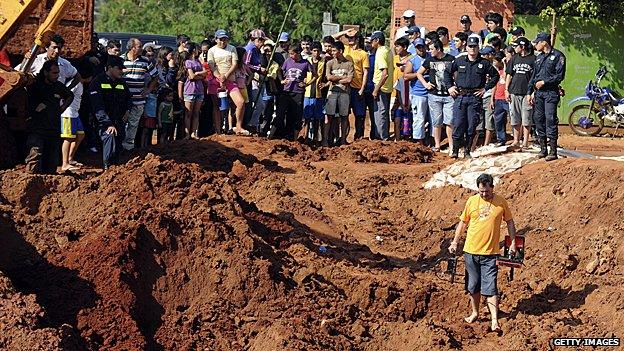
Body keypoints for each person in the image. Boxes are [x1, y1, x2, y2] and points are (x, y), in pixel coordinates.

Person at [449, 173, 516, 333]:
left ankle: (494, 321)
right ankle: (475, 312)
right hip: (470, 252)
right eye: (481, 192)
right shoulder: (471, 201)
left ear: (492, 187)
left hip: (490, 254)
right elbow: (462, 223)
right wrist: (455, 241)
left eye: (486, 191)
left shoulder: (501, 202)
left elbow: (510, 222)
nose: (484, 194)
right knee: (473, 286)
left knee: (491, 287)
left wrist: (513, 242)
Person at [445, 36, 499, 159]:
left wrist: (485, 88)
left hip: (475, 97)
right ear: (466, 47)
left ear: (478, 47)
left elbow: (495, 76)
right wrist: (450, 87)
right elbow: (447, 72)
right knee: (458, 124)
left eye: (475, 46)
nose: (472, 49)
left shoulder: (483, 63)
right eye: (470, 46)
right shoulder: (460, 61)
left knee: (471, 126)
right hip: (461, 96)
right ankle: (455, 150)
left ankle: (467, 151)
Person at [25, 60, 74, 174]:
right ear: (46, 72)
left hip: (53, 127)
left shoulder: (58, 86)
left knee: (52, 158)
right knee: (35, 154)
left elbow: (69, 95)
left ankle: (49, 178)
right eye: (54, 73)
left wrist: (62, 108)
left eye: (58, 73)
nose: (56, 76)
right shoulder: (36, 85)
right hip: (37, 127)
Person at [90, 55, 133, 170]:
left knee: (119, 140)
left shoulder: (121, 83)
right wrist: (108, 123)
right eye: (118, 68)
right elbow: (97, 106)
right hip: (103, 122)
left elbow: (129, 98)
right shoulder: (98, 82)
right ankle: (108, 168)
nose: (121, 71)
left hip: (118, 120)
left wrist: (128, 111)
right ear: (110, 68)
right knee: (110, 136)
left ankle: (116, 167)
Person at [528, 32, 566, 161]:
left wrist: (545, 82)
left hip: (550, 92)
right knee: (538, 119)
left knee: (550, 119)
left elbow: (559, 76)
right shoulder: (538, 58)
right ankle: (543, 149)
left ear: (544, 43)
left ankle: (553, 151)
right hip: (539, 94)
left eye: (537, 42)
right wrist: (529, 92)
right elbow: (534, 76)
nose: (535, 45)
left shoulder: (558, 56)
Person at [270, 43, 316, 141]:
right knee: (280, 114)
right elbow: (279, 70)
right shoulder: (287, 61)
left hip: (298, 92)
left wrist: (307, 84)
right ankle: (271, 136)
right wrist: (282, 80)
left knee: (296, 116)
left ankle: (294, 139)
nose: (291, 56)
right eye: (290, 54)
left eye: (292, 54)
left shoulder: (305, 63)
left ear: (298, 53)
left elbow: (315, 75)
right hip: (286, 91)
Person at [208, 30, 250, 135]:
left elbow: (235, 64)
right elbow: (211, 65)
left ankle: (239, 126)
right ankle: (218, 130)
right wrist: (218, 76)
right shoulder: (211, 50)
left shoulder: (232, 48)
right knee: (217, 106)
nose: (223, 42)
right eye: (221, 39)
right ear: (216, 39)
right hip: (216, 81)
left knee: (240, 102)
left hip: (230, 80)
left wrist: (226, 76)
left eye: (225, 39)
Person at [417, 39, 455, 152]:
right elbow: (419, 73)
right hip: (434, 95)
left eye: (432, 49)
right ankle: (437, 145)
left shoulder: (451, 59)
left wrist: (455, 86)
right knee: (436, 121)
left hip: (449, 96)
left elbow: (456, 74)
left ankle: (452, 146)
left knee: (450, 121)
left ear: (438, 49)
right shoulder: (429, 60)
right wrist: (425, 84)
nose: (430, 51)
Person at [121, 38, 158, 150]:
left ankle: (128, 147)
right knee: (121, 123)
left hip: (138, 100)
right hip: (122, 100)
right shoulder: (121, 60)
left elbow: (155, 76)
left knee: (133, 124)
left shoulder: (145, 61)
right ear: (132, 48)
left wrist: (148, 89)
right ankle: (118, 146)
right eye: (139, 46)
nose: (142, 48)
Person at [60, 63, 94, 172]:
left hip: (75, 113)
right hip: (68, 113)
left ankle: (70, 158)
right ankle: (64, 163)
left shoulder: (80, 84)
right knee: (68, 138)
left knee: (80, 135)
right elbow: (64, 96)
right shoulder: (75, 84)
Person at [506, 36, 535, 149]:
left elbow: (535, 77)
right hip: (514, 91)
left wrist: (533, 93)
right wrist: (506, 90)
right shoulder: (514, 58)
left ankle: (525, 142)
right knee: (515, 117)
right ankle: (516, 140)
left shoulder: (533, 59)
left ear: (522, 47)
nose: (514, 48)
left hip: (527, 93)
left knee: (526, 118)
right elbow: (509, 74)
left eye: (516, 46)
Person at [340, 30, 369, 140]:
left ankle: (359, 137)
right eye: (348, 37)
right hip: (345, 87)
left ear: (357, 39)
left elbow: (365, 72)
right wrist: (346, 31)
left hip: (357, 87)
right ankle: (344, 137)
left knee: (360, 115)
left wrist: (362, 88)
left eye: (352, 38)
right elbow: (333, 38)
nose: (349, 39)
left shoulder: (363, 54)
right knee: (344, 114)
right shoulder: (345, 49)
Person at [324, 41, 354, 146]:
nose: (332, 52)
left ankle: (342, 141)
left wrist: (336, 79)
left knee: (344, 117)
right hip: (332, 92)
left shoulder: (349, 64)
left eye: (334, 50)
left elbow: (349, 80)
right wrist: (342, 78)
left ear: (340, 51)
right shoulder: (330, 63)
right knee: (329, 116)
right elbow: (329, 77)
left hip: (345, 93)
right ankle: (325, 141)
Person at [403, 38, 429, 145]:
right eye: (418, 47)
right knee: (419, 118)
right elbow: (406, 76)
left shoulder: (431, 57)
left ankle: (430, 140)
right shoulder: (412, 61)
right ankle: (418, 141)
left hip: (431, 93)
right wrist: (419, 74)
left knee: (431, 119)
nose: (421, 49)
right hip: (418, 93)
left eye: (422, 46)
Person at [371, 31, 394, 141]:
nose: (371, 42)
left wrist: (376, 89)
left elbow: (384, 74)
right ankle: (384, 136)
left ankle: (381, 138)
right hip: (387, 87)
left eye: (372, 40)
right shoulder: (388, 50)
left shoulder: (380, 52)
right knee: (383, 112)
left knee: (380, 113)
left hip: (381, 87)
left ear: (377, 40)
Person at [303, 42, 325, 145]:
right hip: (307, 92)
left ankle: (315, 137)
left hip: (318, 93)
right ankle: (306, 136)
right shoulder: (306, 62)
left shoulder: (324, 62)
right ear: (311, 51)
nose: (316, 53)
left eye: (318, 51)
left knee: (317, 117)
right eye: (314, 51)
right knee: (307, 117)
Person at [245, 29, 268, 130]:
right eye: (260, 40)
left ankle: (252, 124)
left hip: (253, 79)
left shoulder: (256, 50)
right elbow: (246, 64)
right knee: (258, 104)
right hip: (248, 80)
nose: (262, 43)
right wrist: (259, 69)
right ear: (254, 39)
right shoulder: (250, 49)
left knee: (257, 104)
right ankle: (250, 124)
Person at [391, 37, 413, 141]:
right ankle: (397, 138)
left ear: (404, 47)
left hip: (407, 91)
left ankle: (407, 137)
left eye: (398, 46)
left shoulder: (412, 58)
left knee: (408, 115)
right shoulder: (394, 58)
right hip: (394, 91)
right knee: (395, 114)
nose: (396, 48)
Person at [490, 52, 509, 146]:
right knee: (498, 120)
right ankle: (501, 139)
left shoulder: (507, 71)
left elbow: (505, 77)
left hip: (506, 98)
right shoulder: (496, 73)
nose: (493, 62)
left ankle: (518, 138)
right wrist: (492, 98)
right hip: (498, 98)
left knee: (513, 119)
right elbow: (494, 85)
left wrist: (505, 64)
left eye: (495, 60)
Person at [364, 35, 377, 140]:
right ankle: (359, 136)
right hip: (362, 89)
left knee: (374, 114)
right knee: (360, 115)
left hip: (373, 89)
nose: (367, 44)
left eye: (369, 42)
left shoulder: (378, 56)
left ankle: (373, 136)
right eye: (366, 42)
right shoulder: (363, 55)